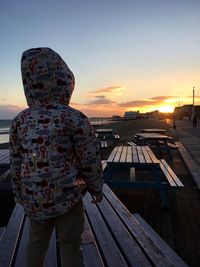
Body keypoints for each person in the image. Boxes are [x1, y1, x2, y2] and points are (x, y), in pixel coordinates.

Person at [9, 47, 103, 267]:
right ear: (66, 82)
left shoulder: (20, 121)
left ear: (28, 83)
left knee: (36, 243)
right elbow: (89, 158)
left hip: (34, 200)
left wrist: (19, 194)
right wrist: (96, 188)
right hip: (68, 198)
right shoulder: (73, 117)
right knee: (70, 246)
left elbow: (16, 162)